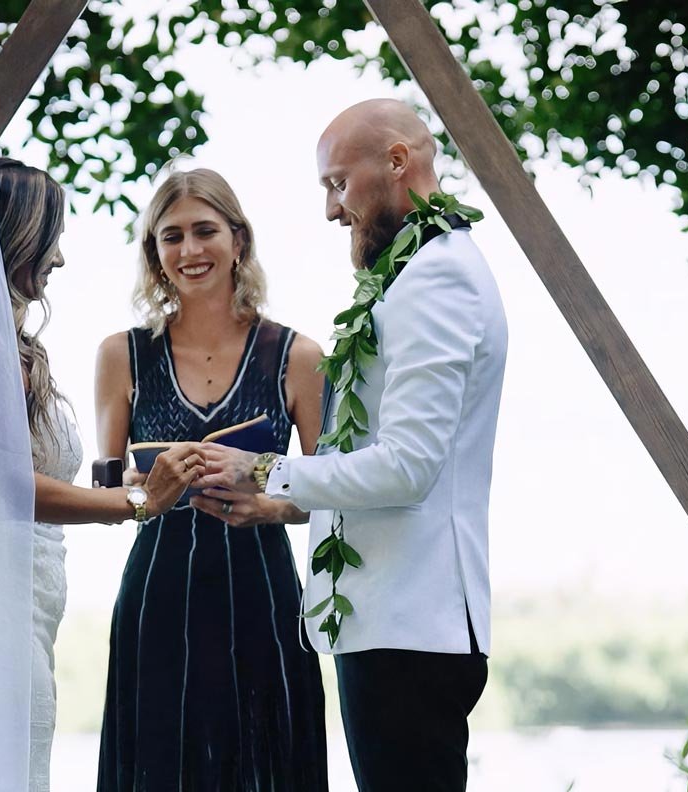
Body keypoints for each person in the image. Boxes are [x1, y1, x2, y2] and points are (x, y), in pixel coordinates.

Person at [196, 99, 509, 792]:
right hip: (389, 624)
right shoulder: (412, 272)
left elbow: (408, 467)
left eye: (337, 183)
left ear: (397, 162)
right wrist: (281, 505)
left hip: (410, 624)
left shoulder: (438, 277)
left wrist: (267, 469)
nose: (332, 211)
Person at [0, 146, 203, 792]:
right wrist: (142, 503)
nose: (60, 257)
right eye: (51, 239)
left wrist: (133, 480)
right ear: (15, 240)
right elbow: (8, 489)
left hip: (20, 608)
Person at [93, 168, 329, 791]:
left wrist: (269, 500)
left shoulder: (298, 356)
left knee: (270, 761)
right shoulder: (121, 354)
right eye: (171, 237)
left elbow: (332, 489)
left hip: (264, 589)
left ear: (238, 241)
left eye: (205, 231)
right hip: (158, 592)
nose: (190, 251)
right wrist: (151, 492)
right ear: (154, 254)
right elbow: (107, 493)